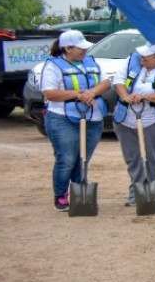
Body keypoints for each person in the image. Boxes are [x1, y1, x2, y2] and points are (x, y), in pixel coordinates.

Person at [40, 31, 111, 211]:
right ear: (68, 48)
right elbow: (49, 93)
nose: (84, 51)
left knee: (83, 158)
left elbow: (106, 82)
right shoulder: (53, 66)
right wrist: (78, 94)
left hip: (92, 117)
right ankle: (61, 195)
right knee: (67, 158)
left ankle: (79, 192)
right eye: (80, 48)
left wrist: (92, 92)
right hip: (62, 118)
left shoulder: (92, 62)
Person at [113, 42, 155, 206]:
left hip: (152, 120)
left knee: (153, 158)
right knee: (133, 158)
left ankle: (154, 192)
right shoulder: (131, 60)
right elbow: (118, 81)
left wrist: (144, 97)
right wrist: (126, 96)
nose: (142, 57)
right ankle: (136, 192)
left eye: (147, 55)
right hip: (126, 119)